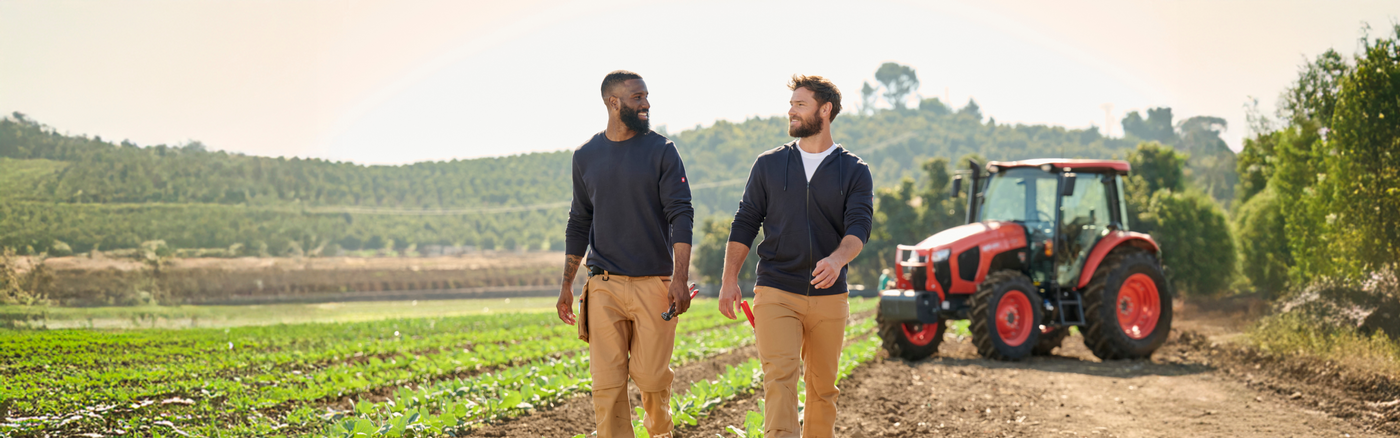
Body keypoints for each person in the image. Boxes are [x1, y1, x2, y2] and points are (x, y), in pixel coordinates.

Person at [718, 75, 873, 438]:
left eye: (800, 105)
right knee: (779, 378)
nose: (791, 111)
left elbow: (858, 229)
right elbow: (744, 224)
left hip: (829, 297)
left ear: (825, 110)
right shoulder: (769, 165)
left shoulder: (854, 170)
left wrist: (836, 260)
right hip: (776, 289)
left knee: (822, 389)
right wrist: (729, 280)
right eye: (791, 105)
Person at [556, 70, 694, 438]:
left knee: (652, 378)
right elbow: (579, 220)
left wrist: (679, 277)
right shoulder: (586, 156)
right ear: (613, 103)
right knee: (607, 384)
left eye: (646, 96)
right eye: (637, 97)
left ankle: (660, 432)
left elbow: (681, 213)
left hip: (654, 284)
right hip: (603, 284)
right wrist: (567, 285)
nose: (646, 103)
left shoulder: (662, 150)